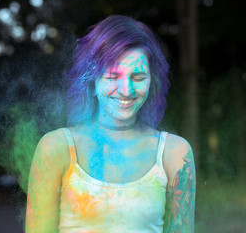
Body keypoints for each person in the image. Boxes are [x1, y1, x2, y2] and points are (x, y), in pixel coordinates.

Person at [25, 15, 196, 233]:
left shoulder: (175, 154)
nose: (126, 90)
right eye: (113, 77)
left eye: (138, 77)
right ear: (91, 79)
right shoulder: (55, 148)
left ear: (152, 79)